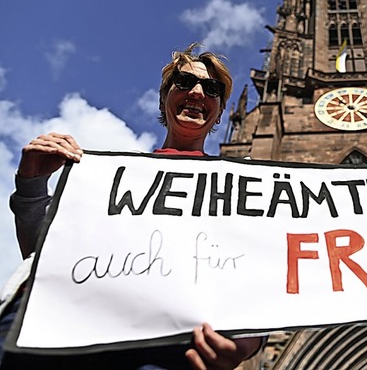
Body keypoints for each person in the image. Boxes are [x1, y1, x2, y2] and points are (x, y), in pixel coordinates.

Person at [0, 43, 263, 369]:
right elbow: (44, 254)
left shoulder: (244, 190)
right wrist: (31, 184)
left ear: (221, 110)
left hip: (167, 345)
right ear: (165, 98)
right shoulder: (100, 176)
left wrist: (249, 342)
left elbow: (262, 274)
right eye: (183, 83)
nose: (197, 92)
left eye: (211, 88)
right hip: (58, 326)